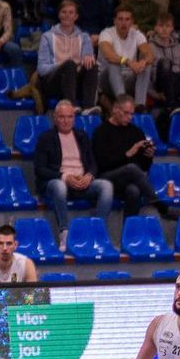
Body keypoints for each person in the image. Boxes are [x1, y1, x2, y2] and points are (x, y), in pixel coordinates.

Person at [34, 100, 116, 249]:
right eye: (62, 117)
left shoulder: (81, 136)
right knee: (59, 186)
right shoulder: (45, 138)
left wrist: (89, 176)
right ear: (55, 118)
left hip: (82, 181)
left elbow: (93, 163)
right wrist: (65, 177)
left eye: (70, 117)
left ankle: (97, 231)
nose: (66, 121)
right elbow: (40, 169)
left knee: (106, 186)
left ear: (74, 118)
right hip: (58, 182)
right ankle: (64, 233)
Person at [36, 0, 100, 110]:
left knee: (92, 65)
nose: (67, 15)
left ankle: (88, 107)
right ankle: (71, 106)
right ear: (59, 15)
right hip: (54, 83)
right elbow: (41, 69)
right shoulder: (47, 37)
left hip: (75, 83)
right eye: (64, 12)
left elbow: (87, 58)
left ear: (76, 16)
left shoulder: (84, 37)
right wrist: (63, 65)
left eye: (71, 12)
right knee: (69, 64)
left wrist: (87, 58)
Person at [98, 7, 153, 109]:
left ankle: (139, 105)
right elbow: (109, 55)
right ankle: (123, 104)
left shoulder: (137, 34)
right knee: (114, 63)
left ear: (132, 22)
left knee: (146, 66)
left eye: (127, 19)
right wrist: (127, 62)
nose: (124, 23)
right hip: (107, 80)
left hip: (128, 78)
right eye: (120, 19)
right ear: (115, 21)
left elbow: (149, 54)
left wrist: (143, 62)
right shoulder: (106, 33)